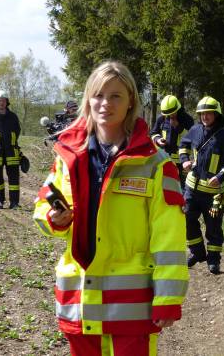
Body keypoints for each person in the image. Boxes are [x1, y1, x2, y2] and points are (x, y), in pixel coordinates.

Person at [32, 61, 188, 356]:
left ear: (131, 102)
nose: (105, 103)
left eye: (116, 95)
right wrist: (55, 219)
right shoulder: (67, 156)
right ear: (88, 100)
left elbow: (170, 238)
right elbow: (41, 206)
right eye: (98, 95)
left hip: (129, 306)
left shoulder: (156, 164)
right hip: (78, 300)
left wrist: (168, 296)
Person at [179, 96, 224, 275]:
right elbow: (183, 145)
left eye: (208, 113)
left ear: (216, 114)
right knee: (187, 220)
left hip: (213, 194)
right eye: (202, 114)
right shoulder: (195, 130)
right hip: (191, 190)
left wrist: (220, 177)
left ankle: (214, 262)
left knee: (213, 228)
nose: (205, 117)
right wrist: (184, 160)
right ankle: (197, 253)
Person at [150, 95, 194, 187]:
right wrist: (158, 140)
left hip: (181, 161)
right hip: (164, 159)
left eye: (173, 113)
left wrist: (178, 127)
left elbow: (193, 138)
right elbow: (153, 133)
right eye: (168, 114)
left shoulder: (188, 120)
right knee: (162, 186)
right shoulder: (162, 118)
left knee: (180, 187)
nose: (170, 116)